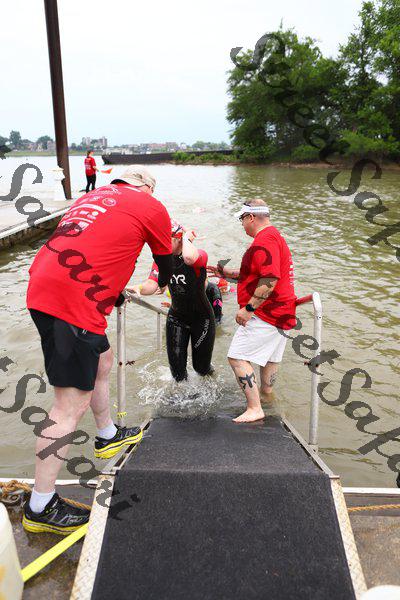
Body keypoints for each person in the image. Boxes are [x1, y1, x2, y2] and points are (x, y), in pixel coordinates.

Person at [24, 166, 173, 534]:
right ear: (147, 186)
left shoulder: (94, 196)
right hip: (71, 302)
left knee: (103, 358)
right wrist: (164, 284)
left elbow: (96, 245)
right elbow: (165, 263)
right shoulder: (150, 205)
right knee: (67, 406)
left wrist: (112, 289)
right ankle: (41, 506)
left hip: (46, 287)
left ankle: (107, 434)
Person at [207, 199, 296, 423]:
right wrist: (225, 273)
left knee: (237, 357)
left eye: (242, 219)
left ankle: (255, 408)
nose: (242, 224)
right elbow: (256, 273)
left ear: (251, 217)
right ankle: (266, 398)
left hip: (266, 313)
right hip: (283, 312)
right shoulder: (274, 236)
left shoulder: (265, 240)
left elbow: (270, 278)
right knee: (270, 360)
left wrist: (248, 308)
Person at [129, 220, 215, 382]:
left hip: (201, 319)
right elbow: (152, 285)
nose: (161, 244)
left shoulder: (200, 254)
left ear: (179, 238)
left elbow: (189, 258)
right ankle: (181, 396)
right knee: (177, 373)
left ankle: (212, 382)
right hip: (176, 318)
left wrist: (187, 237)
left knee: (201, 369)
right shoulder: (162, 261)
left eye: (165, 239)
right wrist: (137, 288)